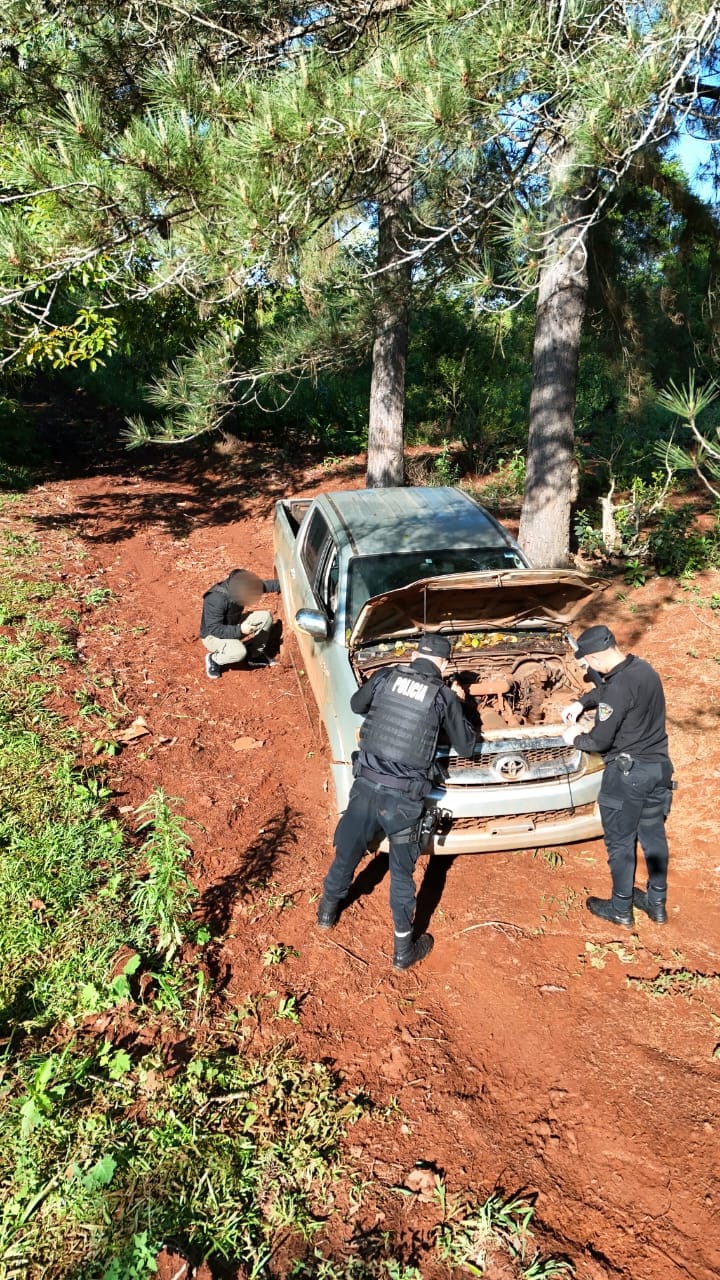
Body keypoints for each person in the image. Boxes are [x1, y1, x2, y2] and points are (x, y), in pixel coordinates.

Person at [316, 632, 478, 971]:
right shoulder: (443, 696)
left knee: (346, 853)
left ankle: (327, 914)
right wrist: (462, 702)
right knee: (402, 874)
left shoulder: (386, 676)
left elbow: (356, 706)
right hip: (404, 801)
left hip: (365, 789)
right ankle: (403, 951)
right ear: (444, 664)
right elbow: (466, 746)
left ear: (415, 653)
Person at [561, 624, 674, 927]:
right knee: (654, 837)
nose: (588, 667)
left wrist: (574, 738)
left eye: (587, 663)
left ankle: (621, 908)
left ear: (596, 659)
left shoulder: (618, 689)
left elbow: (600, 741)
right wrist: (581, 702)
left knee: (621, 843)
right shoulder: (643, 670)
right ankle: (657, 902)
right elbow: (610, 691)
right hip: (659, 770)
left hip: (627, 776)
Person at [200, 568, 279, 679]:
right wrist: (240, 629)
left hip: (233, 623)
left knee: (265, 617)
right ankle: (214, 659)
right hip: (212, 636)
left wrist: (286, 586)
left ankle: (255, 656)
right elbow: (215, 629)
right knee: (239, 652)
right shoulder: (215, 599)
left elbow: (265, 586)